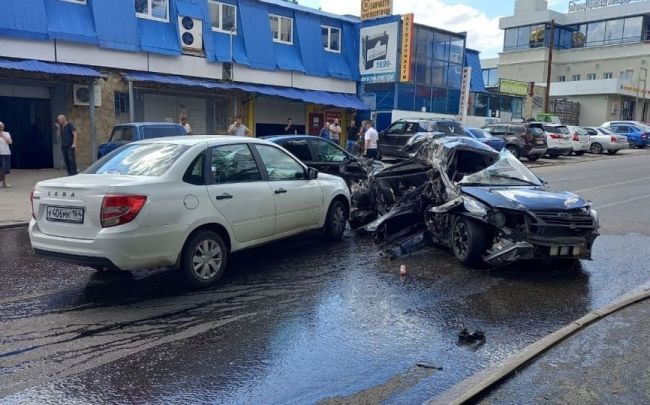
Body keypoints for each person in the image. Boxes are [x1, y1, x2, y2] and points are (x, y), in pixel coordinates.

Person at [0, 122, 12, 188]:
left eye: (2, 127)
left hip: (5, 153)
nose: (1, 128)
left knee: (4, 169)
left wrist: (3, 136)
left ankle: (4, 183)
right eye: (0, 127)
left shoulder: (6, 133)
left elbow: (10, 142)